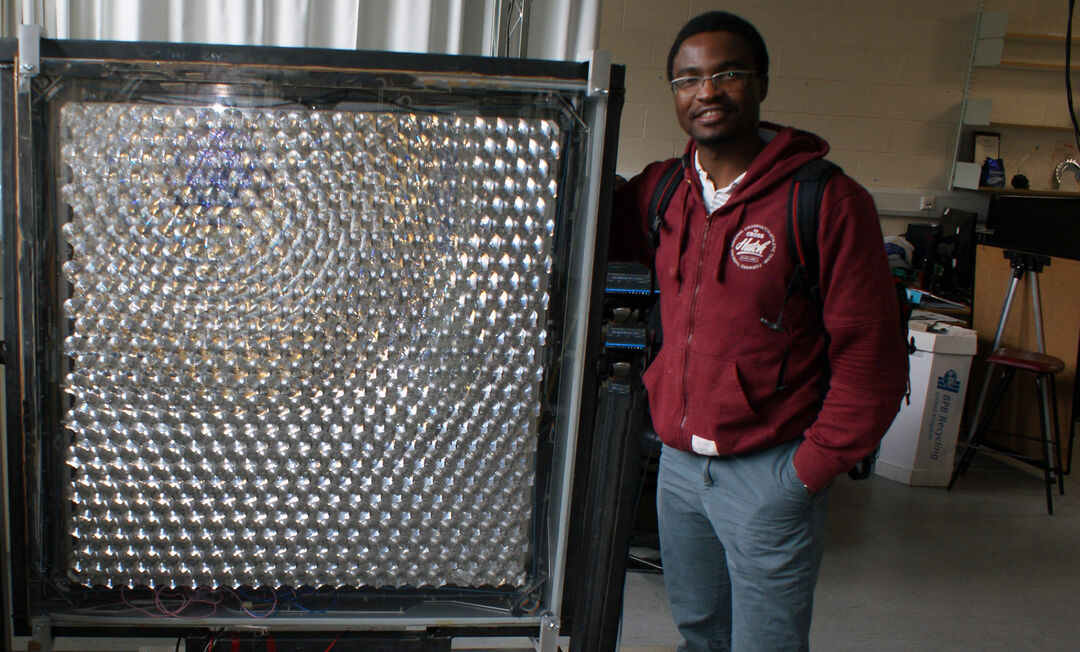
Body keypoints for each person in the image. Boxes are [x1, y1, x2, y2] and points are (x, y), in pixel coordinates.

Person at [609, 11, 909, 651]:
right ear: (674, 94)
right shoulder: (664, 190)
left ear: (762, 83)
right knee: (698, 633)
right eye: (688, 79)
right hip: (680, 470)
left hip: (771, 472)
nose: (707, 92)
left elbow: (873, 362)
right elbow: (585, 216)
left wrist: (808, 472)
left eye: (727, 74)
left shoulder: (825, 200)